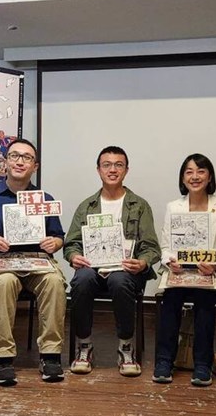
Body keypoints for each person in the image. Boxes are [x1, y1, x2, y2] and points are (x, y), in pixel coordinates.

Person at [0, 138, 66, 386]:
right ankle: (2, 358)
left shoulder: (44, 198)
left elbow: (58, 236)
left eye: (27, 157)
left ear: (35, 166)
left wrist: (54, 243)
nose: (20, 161)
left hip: (37, 262)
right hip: (0, 263)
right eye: (14, 156)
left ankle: (51, 355)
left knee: (54, 281)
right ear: (5, 162)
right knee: (4, 282)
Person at [63, 146, 160, 377]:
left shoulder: (139, 205)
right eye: (107, 165)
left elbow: (151, 246)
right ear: (98, 170)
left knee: (120, 280)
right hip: (93, 269)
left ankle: (126, 346)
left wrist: (143, 263)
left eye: (119, 165)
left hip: (125, 270)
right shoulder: (87, 206)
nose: (113, 169)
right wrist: (74, 256)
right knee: (82, 280)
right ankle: (84, 345)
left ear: (126, 170)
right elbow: (72, 242)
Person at [153, 154, 216, 386]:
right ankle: (163, 361)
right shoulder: (174, 207)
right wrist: (171, 262)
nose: (195, 176)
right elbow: (166, 245)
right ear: (182, 177)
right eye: (189, 172)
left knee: (204, 297)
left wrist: (215, 265)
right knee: (171, 297)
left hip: (211, 273)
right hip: (180, 272)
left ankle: (202, 363)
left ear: (209, 177)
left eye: (200, 171)